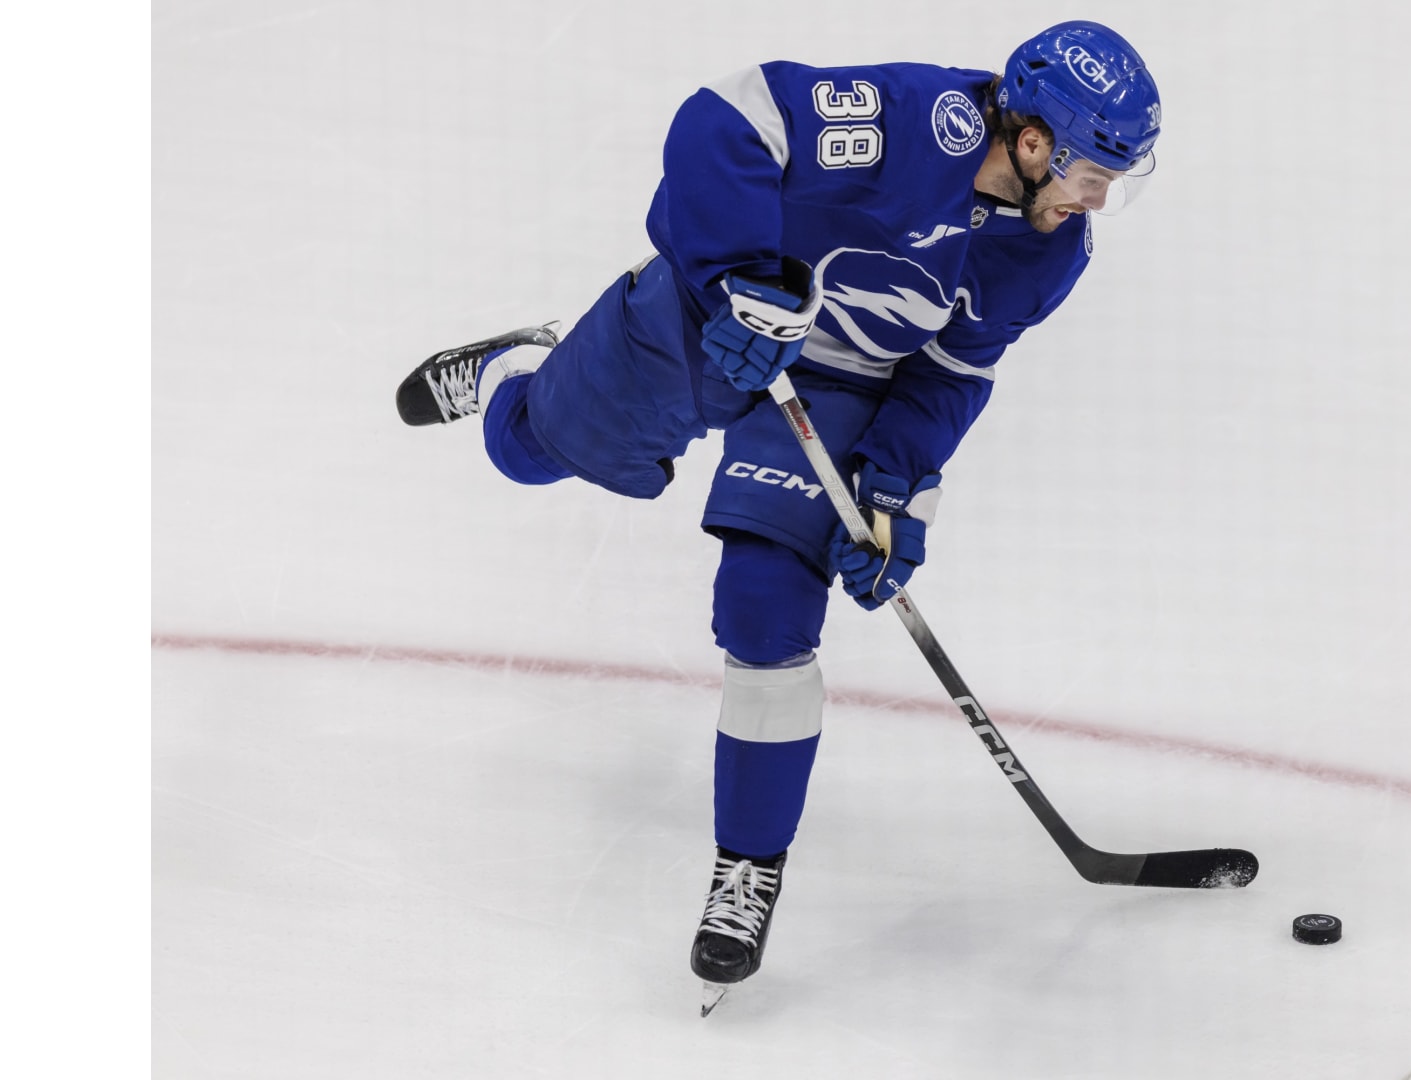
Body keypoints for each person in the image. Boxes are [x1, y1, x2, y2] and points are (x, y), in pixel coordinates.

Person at [393, 20, 1161, 1004]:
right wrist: (738, 280)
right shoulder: (911, 121)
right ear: (1034, 140)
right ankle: (519, 365)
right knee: (525, 451)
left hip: (836, 388)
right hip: (709, 319)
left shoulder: (1048, 254)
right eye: (1093, 174)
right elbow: (727, 119)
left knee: (765, 613)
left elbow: (950, 375)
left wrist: (895, 488)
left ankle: (746, 869)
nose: (1096, 200)